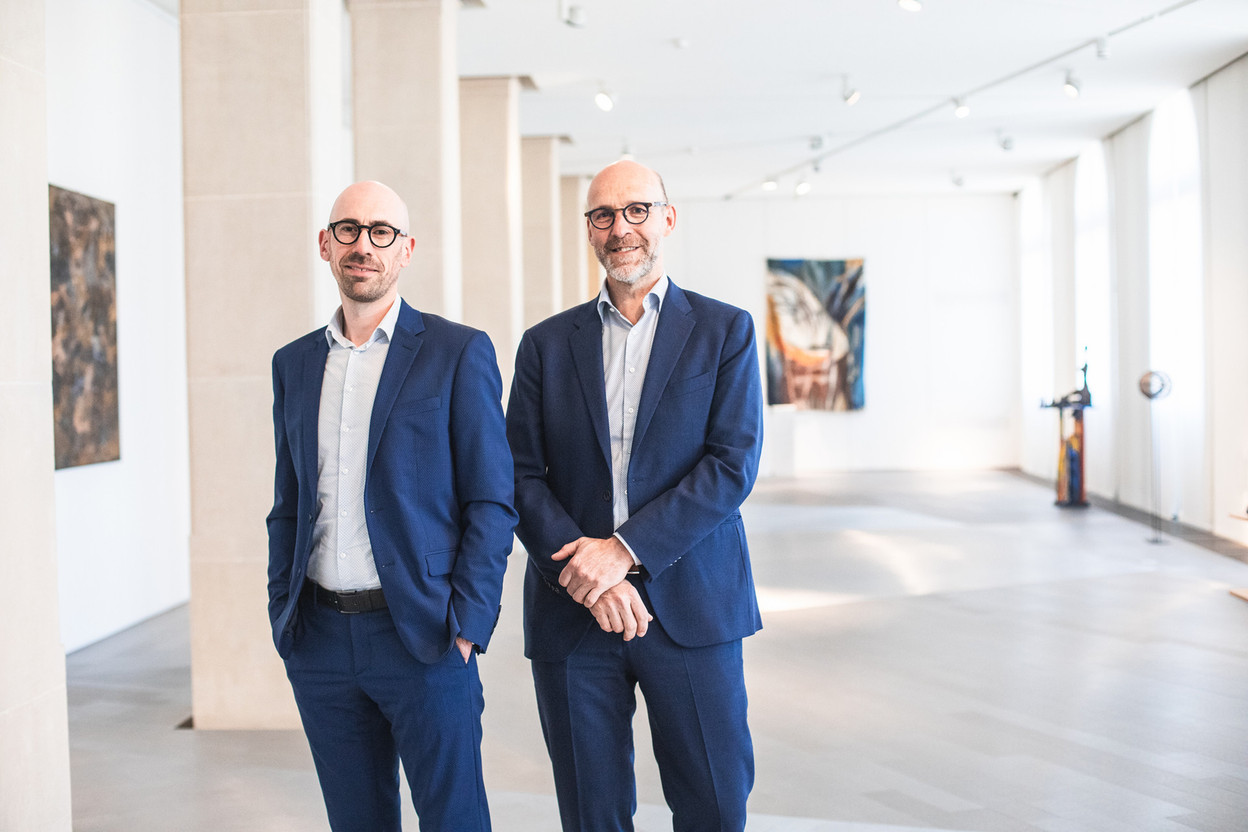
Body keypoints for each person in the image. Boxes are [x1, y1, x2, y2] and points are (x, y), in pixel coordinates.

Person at [505, 160, 765, 832]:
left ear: (667, 220)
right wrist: (588, 576)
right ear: (589, 230)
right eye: (603, 215)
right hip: (573, 612)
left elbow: (731, 465)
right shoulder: (543, 346)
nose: (620, 228)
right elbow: (519, 473)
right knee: (591, 815)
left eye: (637, 211)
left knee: (713, 802)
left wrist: (622, 553)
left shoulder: (724, 331)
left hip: (692, 606)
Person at [266, 180, 516, 831]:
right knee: (356, 821)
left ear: (406, 251)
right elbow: (289, 502)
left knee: (454, 818)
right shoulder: (293, 364)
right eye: (348, 230)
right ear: (326, 245)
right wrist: (282, 613)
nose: (363, 245)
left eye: (382, 233)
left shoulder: (457, 352)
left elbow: (492, 499)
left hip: (425, 635)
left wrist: (468, 622)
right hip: (319, 638)